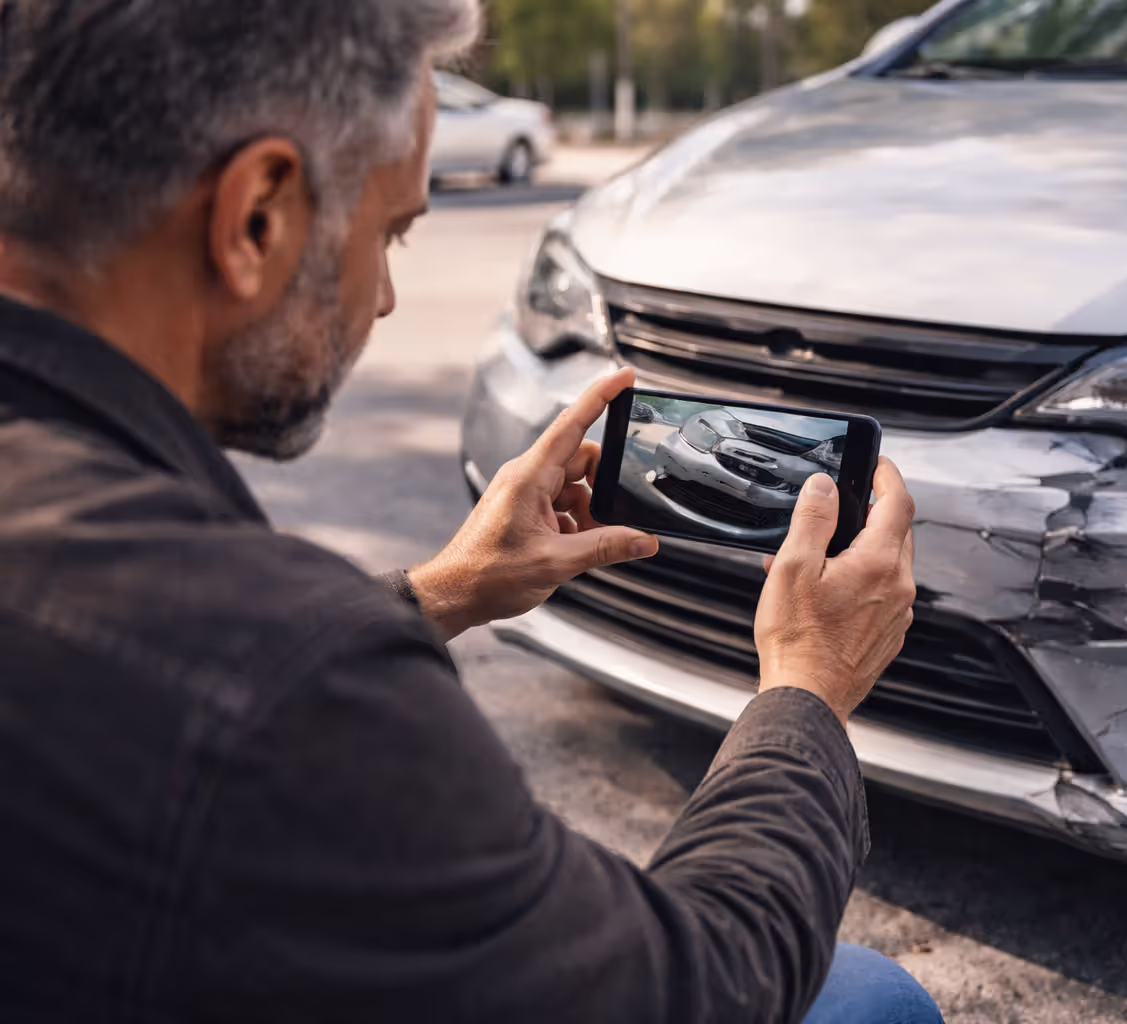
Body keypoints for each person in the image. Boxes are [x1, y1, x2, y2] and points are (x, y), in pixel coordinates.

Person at [0, 2, 943, 1023]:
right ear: (256, 217)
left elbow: (167, 664)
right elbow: (693, 992)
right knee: (872, 996)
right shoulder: (292, 685)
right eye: (389, 232)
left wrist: (436, 593)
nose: (384, 298)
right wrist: (807, 688)